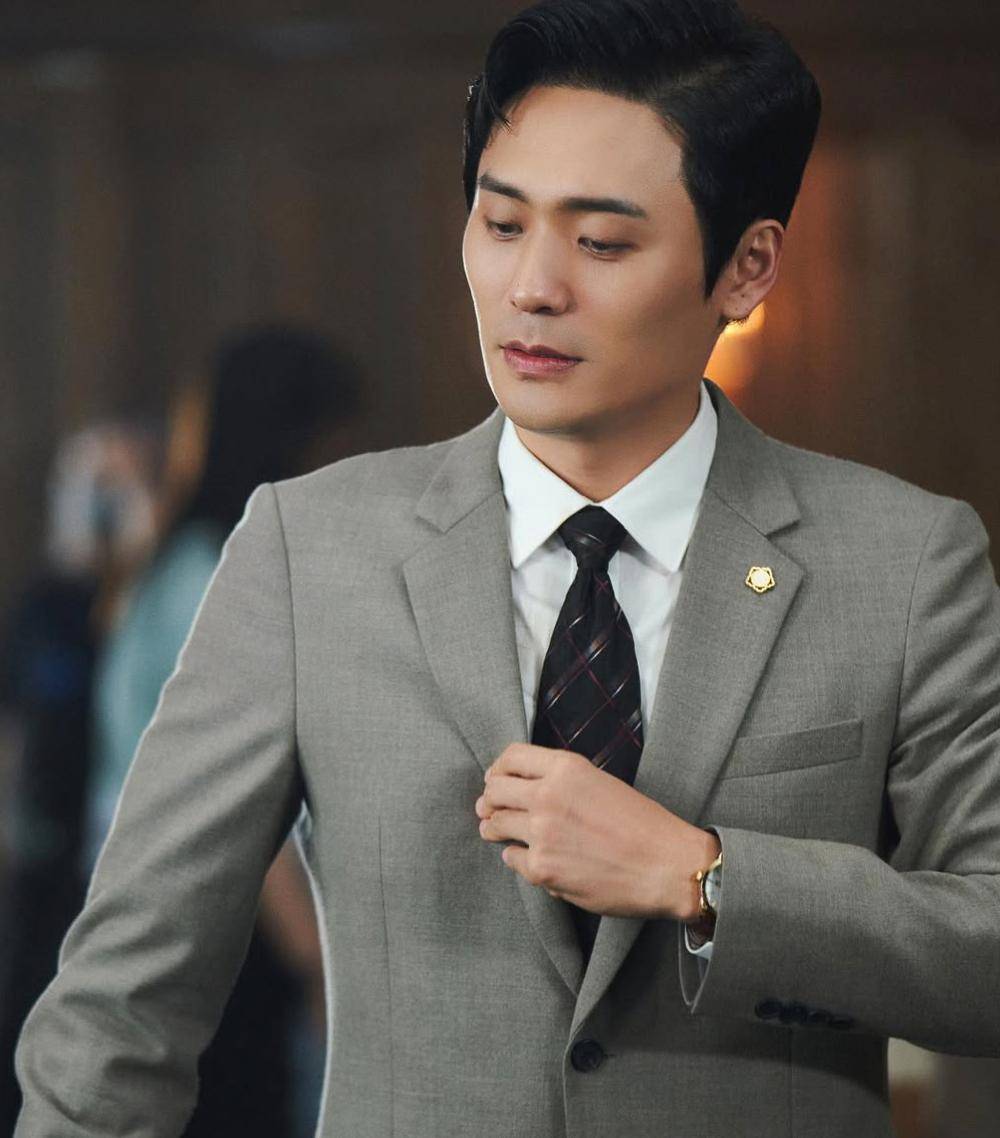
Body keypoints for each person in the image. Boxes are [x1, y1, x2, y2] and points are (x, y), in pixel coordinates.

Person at [13, 1, 1000, 1135]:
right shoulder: (307, 548)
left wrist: (706, 878)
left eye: (602, 243)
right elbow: (122, 1002)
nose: (532, 286)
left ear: (746, 267)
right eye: (501, 221)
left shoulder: (903, 561)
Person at [78, 324, 362, 1138]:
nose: (352, 468)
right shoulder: (215, 580)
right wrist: (321, 967)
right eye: (338, 444)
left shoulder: (170, 562)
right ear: (294, 442)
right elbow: (235, 805)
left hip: (159, 925)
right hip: (203, 945)